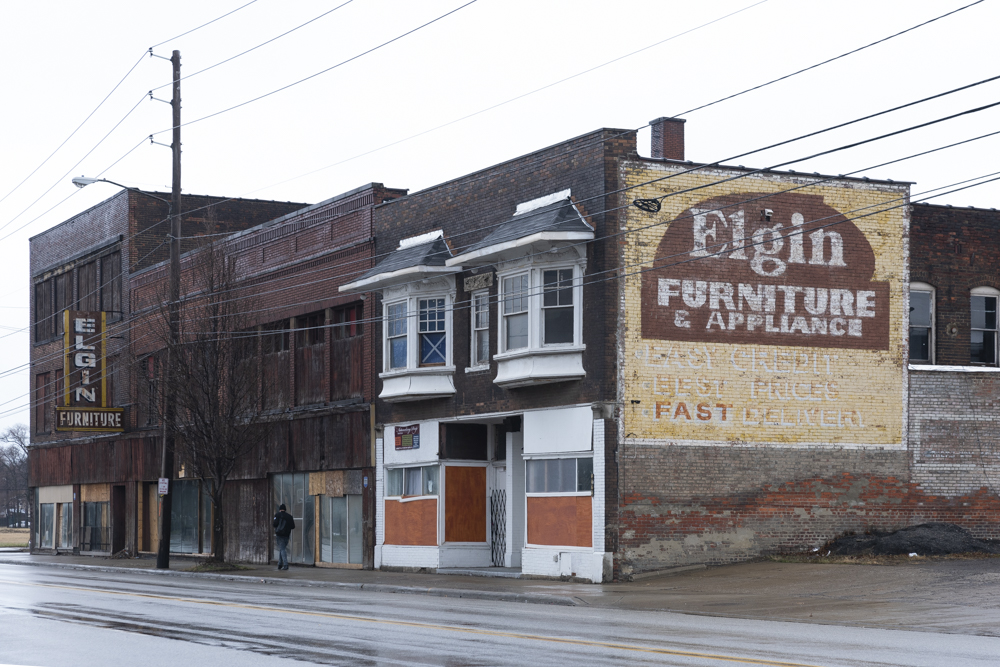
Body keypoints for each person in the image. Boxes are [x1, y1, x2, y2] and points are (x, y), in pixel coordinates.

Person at [273, 503, 295, 570]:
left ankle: (285, 564)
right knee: (282, 549)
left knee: (282, 549)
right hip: (287, 535)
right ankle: (280, 564)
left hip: (279, 535)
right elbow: (293, 526)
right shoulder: (289, 516)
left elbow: (274, 524)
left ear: (280, 509)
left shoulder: (277, 515)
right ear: (285, 509)